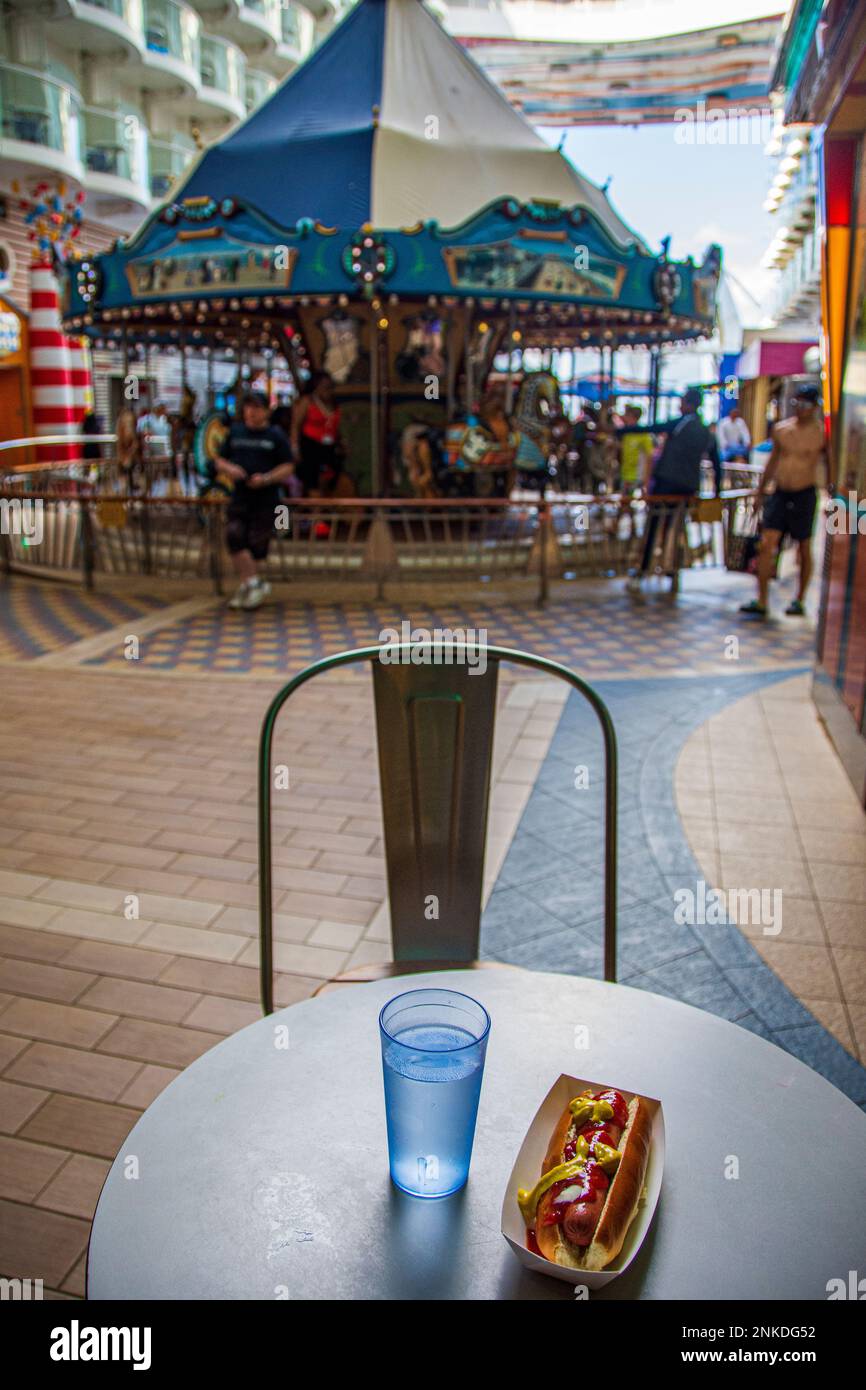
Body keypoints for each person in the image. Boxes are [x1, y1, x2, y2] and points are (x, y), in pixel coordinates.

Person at [739, 383, 826, 620]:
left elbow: (830, 466)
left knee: (804, 547)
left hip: (805, 494)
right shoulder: (781, 430)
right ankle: (763, 599)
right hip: (780, 492)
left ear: (815, 407)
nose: (800, 409)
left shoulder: (821, 434)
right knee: (767, 545)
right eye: (797, 403)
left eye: (805, 404)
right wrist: (759, 493)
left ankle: (799, 599)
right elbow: (772, 462)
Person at [626, 387, 720, 593]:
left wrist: (621, 430)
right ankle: (671, 568)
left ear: (688, 403)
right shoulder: (704, 430)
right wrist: (717, 491)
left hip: (667, 485)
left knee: (655, 526)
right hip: (686, 488)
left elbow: (649, 428)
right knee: (675, 528)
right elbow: (716, 462)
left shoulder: (681, 424)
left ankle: (646, 569)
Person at [214, 391, 295, 610]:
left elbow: (288, 465)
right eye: (248, 407)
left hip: (266, 499)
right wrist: (231, 469)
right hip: (240, 497)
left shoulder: (275, 436)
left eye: (256, 408)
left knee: (257, 543)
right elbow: (219, 460)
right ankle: (253, 582)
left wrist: (267, 478)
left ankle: (248, 583)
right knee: (234, 536)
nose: (251, 412)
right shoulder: (236, 433)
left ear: (266, 411)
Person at [290, 371, 342, 496]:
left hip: (329, 446)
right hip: (310, 446)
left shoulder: (334, 404)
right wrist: (295, 447)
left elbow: (335, 426)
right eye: (323, 386)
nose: (326, 389)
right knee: (312, 480)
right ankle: (315, 510)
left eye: (329, 386)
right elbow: (296, 425)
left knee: (330, 477)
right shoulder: (307, 402)